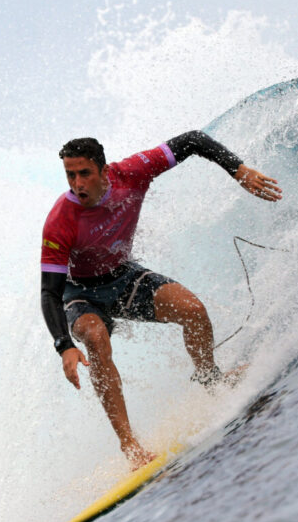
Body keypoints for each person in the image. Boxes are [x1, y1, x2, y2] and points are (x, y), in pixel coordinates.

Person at [40, 132, 282, 470]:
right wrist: (64, 345)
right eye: (70, 175)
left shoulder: (132, 172)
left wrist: (239, 170)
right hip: (79, 293)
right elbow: (49, 292)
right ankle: (131, 447)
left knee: (192, 310)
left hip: (123, 278)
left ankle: (211, 378)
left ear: (104, 170)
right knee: (95, 337)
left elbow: (194, 141)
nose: (77, 184)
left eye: (84, 173)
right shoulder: (60, 220)